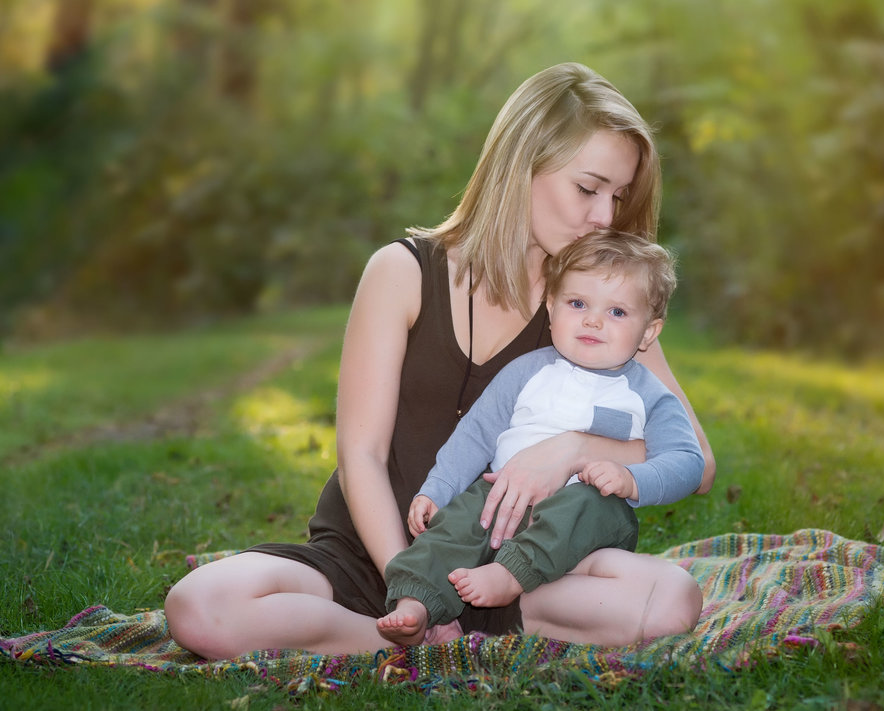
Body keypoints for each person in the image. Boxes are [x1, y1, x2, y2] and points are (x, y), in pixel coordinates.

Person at [164, 62, 716, 658]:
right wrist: (407, 578)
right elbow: (362, 455)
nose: (605, 217)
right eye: (588, 188)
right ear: (520, 165)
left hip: (520, 566)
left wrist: (575, 450)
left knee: (671, 600)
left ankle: (463, 630)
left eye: (618, 196)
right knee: (198, 609)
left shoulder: (603, 314)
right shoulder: (402, 272)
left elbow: (697, 461)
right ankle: (423, 639)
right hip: (370, 555)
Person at [376, 229, 703, 646]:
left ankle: (511, 575)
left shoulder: (648, 395)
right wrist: (437, 490)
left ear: (649, 332)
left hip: (586, 518)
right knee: (456, 521)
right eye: (578, 303)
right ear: (551, 307)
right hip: (505, 499)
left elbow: (688, 462)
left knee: (588, 499)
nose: (593, 320)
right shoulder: (526, 372)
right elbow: (474, 435)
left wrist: (632, 479)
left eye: (618, 312)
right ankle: (416, 603)